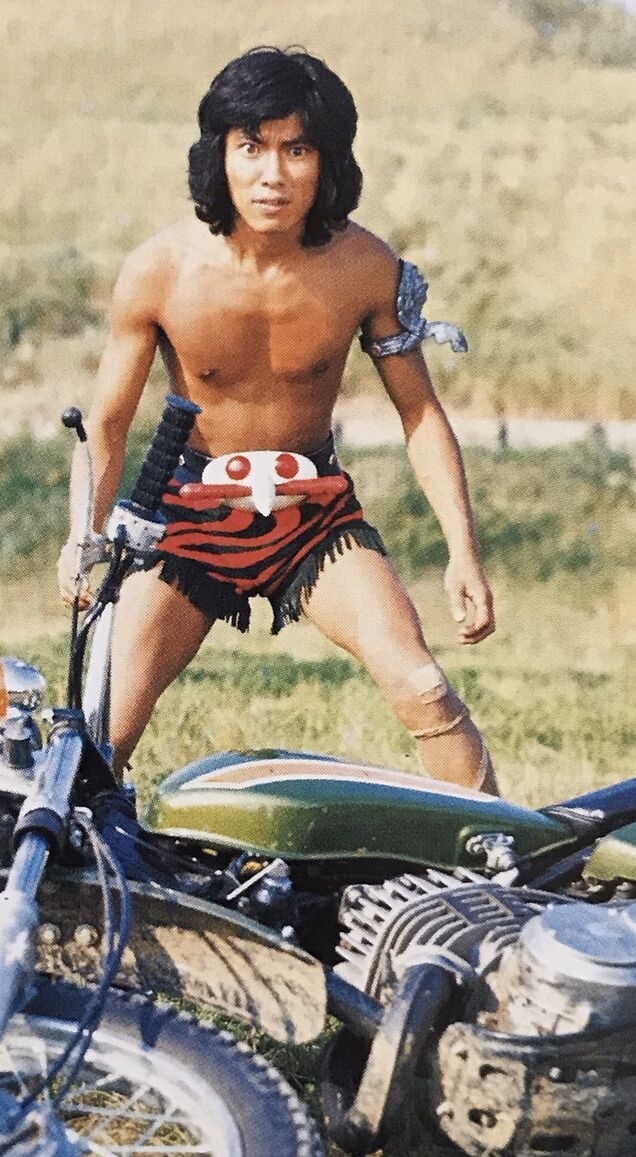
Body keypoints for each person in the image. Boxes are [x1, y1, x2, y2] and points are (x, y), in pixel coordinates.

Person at [58, 45, 497, 802]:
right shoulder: (160, 269)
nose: (273, 175)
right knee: (101, 732)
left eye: (297, 150)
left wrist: (463, 550)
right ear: (219, 156)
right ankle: (69, 869)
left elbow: (420, 413)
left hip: (315, 514)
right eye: (251, 147)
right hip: (187, 516)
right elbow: (107, 423)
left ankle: (503, 855)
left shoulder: (366, 266)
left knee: (422, 686)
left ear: (327, 163)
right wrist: (83, 535)